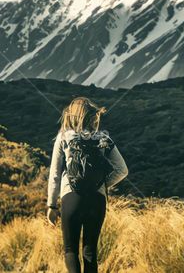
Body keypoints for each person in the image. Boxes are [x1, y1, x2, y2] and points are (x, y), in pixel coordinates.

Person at [46, 97, 128, 273]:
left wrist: (51, 205)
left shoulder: (63, 137)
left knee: (70, 251)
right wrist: (101, 184)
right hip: (97, 200)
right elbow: (122, 170)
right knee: (90, 252)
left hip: (71, 198)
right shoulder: (104, 138)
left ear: (72, 115)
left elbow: (54, 174)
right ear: (92, 117)